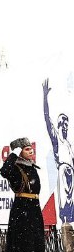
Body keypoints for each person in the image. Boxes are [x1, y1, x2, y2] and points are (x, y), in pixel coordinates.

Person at [1, 137, 57, 252]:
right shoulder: (15, 168)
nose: (31, 152)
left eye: (31, 149)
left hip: (32, 212)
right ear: (20, 152)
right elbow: (4, 171)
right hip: (21, 214)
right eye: (26, 149)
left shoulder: (31, 168)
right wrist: (12, 154)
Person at [42, 80, 73, 223]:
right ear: (60, 124)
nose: (66, 127)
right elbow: (47, 119)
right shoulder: (57, 139)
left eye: (67, 124)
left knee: (72, 208)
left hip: (71, 173)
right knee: (64, 208)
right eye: (64, 124)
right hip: (62, 171)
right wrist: (45, 97)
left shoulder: (68, 144)